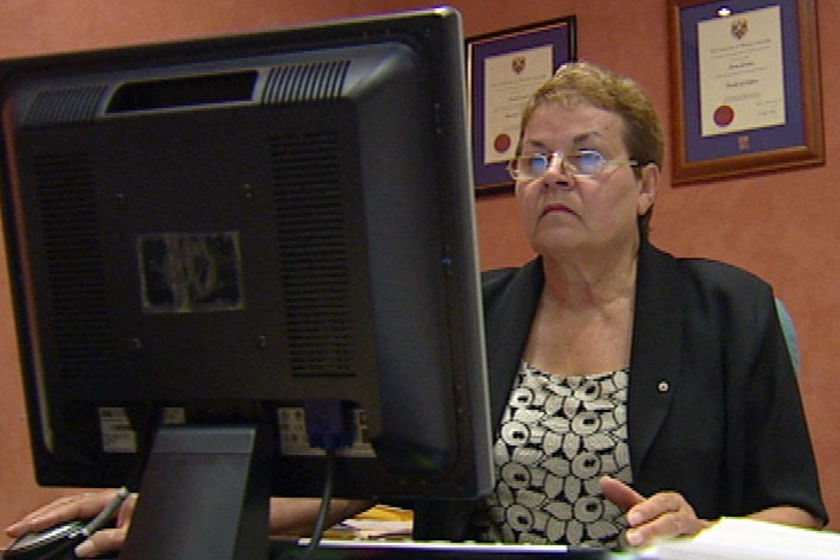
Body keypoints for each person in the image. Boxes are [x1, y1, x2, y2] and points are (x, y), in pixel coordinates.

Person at [5, 61, 827, 555]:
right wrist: (175, 504)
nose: (553, 175)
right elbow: (371, 475)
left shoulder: (730, 309)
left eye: (585, 156)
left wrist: (705, 538)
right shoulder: (470, 312)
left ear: (646, 185)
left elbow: (798, 515)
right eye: (531, 157)